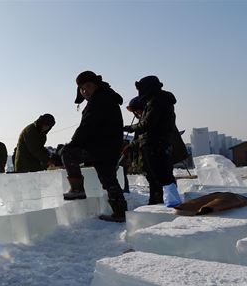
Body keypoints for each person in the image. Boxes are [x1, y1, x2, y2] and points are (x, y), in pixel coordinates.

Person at [61, 71, 126, 222]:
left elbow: (87, 126)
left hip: (101, 146)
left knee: (68, 153)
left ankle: (77, 189)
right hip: (109, 146)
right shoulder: (107, 97)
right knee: (109, 179)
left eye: (88, 86)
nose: (85, 91)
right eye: (82, 89)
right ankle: (120, 212)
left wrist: (72, 144)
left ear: (96, 85)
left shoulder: (99, 100)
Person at [123, 76, 181, 207]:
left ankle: (171, 203)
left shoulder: (156, 101)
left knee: (161, 176)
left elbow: (148, 124)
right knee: (158, 176)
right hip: (157, 144)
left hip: (155, 144)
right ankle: (159, 202)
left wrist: (130, 128)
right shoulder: (161, 100)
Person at [125, 96, 163, 204]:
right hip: (148, 153)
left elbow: (146, 137)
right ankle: (154, 200)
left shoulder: (149, 122)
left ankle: (158, 200)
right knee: (152, 178)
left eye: (138, 111)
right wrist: (131, 145)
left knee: (156, 178)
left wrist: (130, 129)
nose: (137, 114)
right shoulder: (143, 121)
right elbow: (139, 139)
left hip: (156, 152)